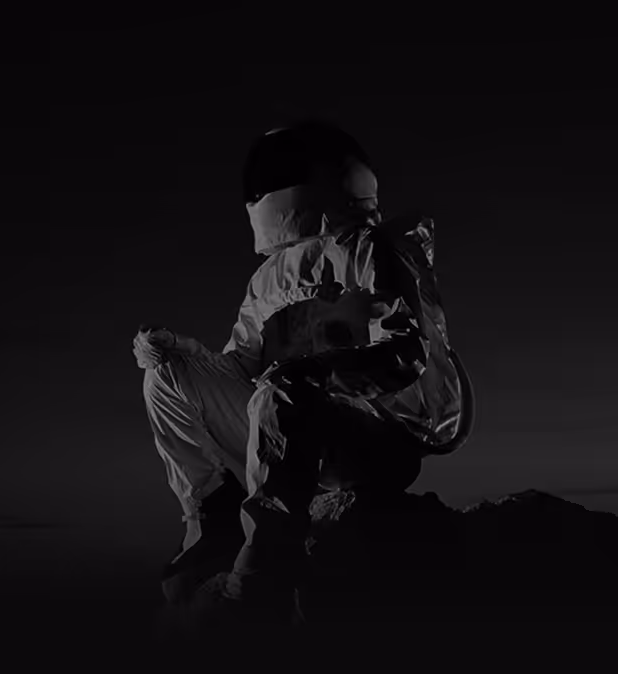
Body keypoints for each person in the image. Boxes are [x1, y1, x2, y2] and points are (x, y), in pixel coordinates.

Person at [134, 120, 476, 624]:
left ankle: (261, 583)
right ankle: (214, 519)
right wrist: (178, 352)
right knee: (165, 376)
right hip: (289, 430)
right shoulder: (270, 277)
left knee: (285, 387)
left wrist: (318, 375)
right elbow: (241, 366)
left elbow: (406, 355)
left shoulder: (369, 251)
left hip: (375, 442)